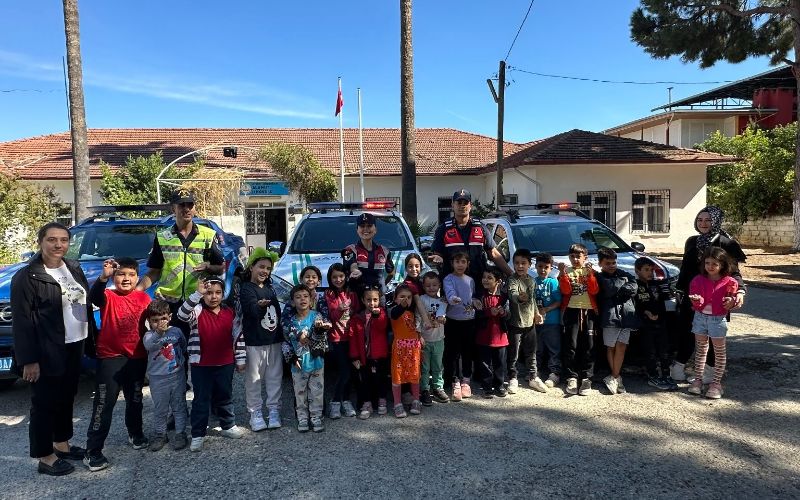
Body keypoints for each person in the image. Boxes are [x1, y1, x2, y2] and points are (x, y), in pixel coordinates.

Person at [11, 222, 96, 476]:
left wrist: (88, 337)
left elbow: (82, 302)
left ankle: (62, 444)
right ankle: (45, 456)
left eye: (63, 240)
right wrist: (29, 360)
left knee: (66, 398)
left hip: (74, 343)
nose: (58, 245)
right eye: (52, 240)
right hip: (47, 350)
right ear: (40, 242)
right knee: (45, 403)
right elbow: (22, 322)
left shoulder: (73, 267)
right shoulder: (27, 277)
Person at [84, 257, 152, 471]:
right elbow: (93, 297)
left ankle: (136, 433)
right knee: (104, 404)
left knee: (135, 399)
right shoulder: (107, 295)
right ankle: (92, 451)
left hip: (137, 358)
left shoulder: (144, 298)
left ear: (137, 277)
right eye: (121, 274)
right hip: (110, 358)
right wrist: (103, 278)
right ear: (114, 277)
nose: (126, 278)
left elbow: (155, 322)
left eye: (131, 275)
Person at [673, 206, 746, 383]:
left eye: (707, 220)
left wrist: (740, 291)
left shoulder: (725, 242)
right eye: (700, 220)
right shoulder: (692, 241)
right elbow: (685, 270)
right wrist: (679, 291)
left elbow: (734, 272)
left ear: (715, 221)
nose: (703, 224)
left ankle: (710, 373)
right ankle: (677, 369)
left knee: (714, 337)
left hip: (718, 298)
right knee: (687, 332)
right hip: (693, 296)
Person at [137, 189, 224, 328]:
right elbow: (154, 272)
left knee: (196, 346)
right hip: (167, 305)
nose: (186, 209)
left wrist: (208, 266)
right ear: (173, 208)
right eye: (181, 205)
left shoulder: (208, 235)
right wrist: (136, 292)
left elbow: (220, 268)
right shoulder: (163, 237)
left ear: (195, 207)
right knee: (170, 346)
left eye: (190, 205)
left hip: (198, 302)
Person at [177, 278, 246, 452]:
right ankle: (198, 434)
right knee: (201, 399)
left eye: (217, 292)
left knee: (225, 395)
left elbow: (238, 337)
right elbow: (181, 314)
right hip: (201, 364)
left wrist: (240, 359)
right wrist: (197, 294)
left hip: (225, 363)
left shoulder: (230, 313)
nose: (213, 296)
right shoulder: (197, 311)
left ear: (223, 294)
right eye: (209, 293)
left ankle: (228, 425)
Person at [238, 248, 284, 431]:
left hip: (274, 340)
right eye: (261, 267)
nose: (264, 271)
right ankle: (255, 413)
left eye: (268, 268)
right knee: (254, 379)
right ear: (251, 267)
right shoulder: (246, 289)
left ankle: (274, 410)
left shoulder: (271, 289)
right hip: (254, 341)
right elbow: (251, 310)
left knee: (275, 378)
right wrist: (258, 306)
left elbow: (278, 314)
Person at [429, 189, 513, 284]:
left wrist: (511, 274)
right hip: (452, 285)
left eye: (465, 202)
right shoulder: (443, 229)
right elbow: (437, 254)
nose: (462, 205)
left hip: (478, 283)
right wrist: (437, 258)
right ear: (453, 205)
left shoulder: (480, 227)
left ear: (470, 206)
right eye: (459, 202)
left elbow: (493, 253)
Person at [687, 247, 739, 399]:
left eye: (714, 264)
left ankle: (716, 384)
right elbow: (697, 303)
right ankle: (698, 381)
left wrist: (732, 300)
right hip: (700, 317)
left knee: (719, 352)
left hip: (717, 320)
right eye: (707, 263)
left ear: (722, 264)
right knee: (701, 350)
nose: (710, 266)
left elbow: (732, 300)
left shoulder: (730, 282)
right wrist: (697, 300)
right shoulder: (698, 280)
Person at [282, 284, 331, 432]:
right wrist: (290, 358)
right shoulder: (290, 322)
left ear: (311, 300)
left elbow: (322, 338)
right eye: (298, 297)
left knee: (316, 391)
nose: (302, 299)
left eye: (305, 296)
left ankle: (316, 417)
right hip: (298, 364)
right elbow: (285, 342)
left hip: (316, 361)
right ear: (292, 302)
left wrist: (319, 328)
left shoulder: (317, 316)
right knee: (300, 392)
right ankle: (302, 418)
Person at [142, 300, 188, 452]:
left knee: (179, 405)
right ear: (149, 321)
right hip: (158, 378)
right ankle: (160, 434)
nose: (159, 323)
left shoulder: (176, 331)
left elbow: (183, 345)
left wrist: (181, 362)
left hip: (177, 375)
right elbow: (149, 346)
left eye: (163, 319)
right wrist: (158, 333)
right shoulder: (149, 335)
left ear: (170, 317)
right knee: (160, 408)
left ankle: (181, 433)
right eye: (155, 321)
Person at [596, 248, 639, 395]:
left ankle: (614, 376)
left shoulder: (623, 274)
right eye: (608, 263)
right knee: (611, 346)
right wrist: (622, 286)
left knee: (622, 346)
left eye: (614, 262)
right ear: (600, 263)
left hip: (626, 316)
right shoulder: (599, 277)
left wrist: (622, 286)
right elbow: (609, 288)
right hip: (610, 317)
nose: (612, 265)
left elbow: (634, 286)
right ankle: (615, 377)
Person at [558, 243, 599, 396]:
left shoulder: (590, 271)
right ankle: (572, 376)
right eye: (572, 256)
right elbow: (566, 290)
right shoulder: (566, 271)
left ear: (585, 257)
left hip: (589, 311)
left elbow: (594, 290)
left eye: (578, 256)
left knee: (589, 344)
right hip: (571, 311)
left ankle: (587, 377)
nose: (575, 259)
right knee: (571, 344)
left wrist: (590, 275)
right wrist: (562, 273)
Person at [634, 257, 677, 391]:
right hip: (645, 325)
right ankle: (652, 375)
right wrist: (646, 312)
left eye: (652, 270)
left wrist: (668, 291)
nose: (650, 273)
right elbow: (636, 305)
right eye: (646, 270)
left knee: (664, 350)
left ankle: (666, 374)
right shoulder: (635, 285)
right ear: (637, 271)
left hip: (661, 322)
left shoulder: (657, 284)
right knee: (650, 351)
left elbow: (666, 299)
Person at [507, 249, 545, 394]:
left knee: (531, 352)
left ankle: (533, 376)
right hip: (515, 323)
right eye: (517, 263)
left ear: (529, 264)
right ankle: (512, 377)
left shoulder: (532, 280)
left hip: (530, 323)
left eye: (523, 263)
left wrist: (537, 314)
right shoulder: (512, 279)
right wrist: (519, 298)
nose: (520, 266)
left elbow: (533, 300)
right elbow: (513, 294)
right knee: (514, 353)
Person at [349, 285, 391, 419]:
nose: (371, 303)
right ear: (362, 300)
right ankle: (367, 403)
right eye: (368, 300)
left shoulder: (382, 313)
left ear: (379, 300)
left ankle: (382, 400)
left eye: (375, 300)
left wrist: (376, 316)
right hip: (364, 357)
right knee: (364, 381)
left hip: (380, 355)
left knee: (381, 379)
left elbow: (382, 326)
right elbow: (353, 338)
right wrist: (355, 356)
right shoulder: (357, 318)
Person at [324, 263, 359, 419]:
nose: (338, 279)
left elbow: (357, 312)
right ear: (330, 279)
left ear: (346, 276)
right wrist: (341, 309)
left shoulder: (352, 294)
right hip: (337, 338)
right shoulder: (329, 293)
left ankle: (345, 401)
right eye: (334, 277)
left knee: (349, 371)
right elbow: (331, 315)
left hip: (351, 337)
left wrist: (351, 311)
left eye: (341, 276)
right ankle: (336, 402)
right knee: (344, 371)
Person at [442, 251, 476, 401]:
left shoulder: (471, 280)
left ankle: (466, 380)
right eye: (457, 262)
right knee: (453, 352)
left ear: (468, 264)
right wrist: (453, 298)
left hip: (469, 320)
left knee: (467, 351)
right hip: (453, 320)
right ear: (452, 264)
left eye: (463, 261)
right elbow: (449, 292)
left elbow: (472, 296)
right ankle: (455, 380)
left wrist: (476, 302)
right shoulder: (448, 279)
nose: (460, 264)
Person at [389, 285, 424, 417]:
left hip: (414, 349)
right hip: (399, 349)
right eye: (402, 297)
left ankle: (416, 400)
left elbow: (417, 328)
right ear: (395, 298)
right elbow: (395, 314)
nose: (406, 300)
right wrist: (402, 306)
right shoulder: (393, 310)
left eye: (409, 297)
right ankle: (397, 404)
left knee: (415, 375)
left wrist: (420, 338)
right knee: (397, 376)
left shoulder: (414, 312)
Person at [474, 268, 510, 399]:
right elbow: (476, 314)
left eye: (489, 278)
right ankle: (487, 386)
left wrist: (503, 313)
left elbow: (509, 314)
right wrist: (489, 312)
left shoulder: (504, 297)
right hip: (483, 336)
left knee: (500, 363)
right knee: (484, 363)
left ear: (498, 281)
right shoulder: (479, 296)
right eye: (484, 277)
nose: (485, 280)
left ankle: (499, 385)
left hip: (501, 337)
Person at [343, 212, 395, 299]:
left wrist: (382, 288)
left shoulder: (384, 251)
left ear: (375, 229)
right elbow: (353, 265)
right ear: (357, 230)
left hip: (377, 300)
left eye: (369, 226)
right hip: (357, 299)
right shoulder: (349, 250)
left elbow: (391, 273)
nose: (366, 229)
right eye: (362, 226)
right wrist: (356, 271)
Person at [417, 271, 449, 406]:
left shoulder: (443, 300)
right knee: (424, 367)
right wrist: (418, 335)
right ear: (423, 287)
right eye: (428, 285)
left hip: (439, 339)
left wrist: (443, 320)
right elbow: (417, 318)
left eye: (434, 285)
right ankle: (424, 389)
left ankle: (437, 387)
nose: (431, 288)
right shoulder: (421, 299)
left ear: (439, 285)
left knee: (437, 365)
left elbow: (444, 317)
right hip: (425, 339)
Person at [533, 253, 563, 389]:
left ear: (551, 268)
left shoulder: (553, 282)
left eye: (546, 267)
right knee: (537, 348)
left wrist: (547, 309)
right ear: (535, 266)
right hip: (536, 322)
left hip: (552, 321)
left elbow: (559, 301)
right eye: (540, 266)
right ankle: (535, 372)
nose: (543, 270)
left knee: (554, 348)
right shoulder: (532, 282)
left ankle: (554, 373)